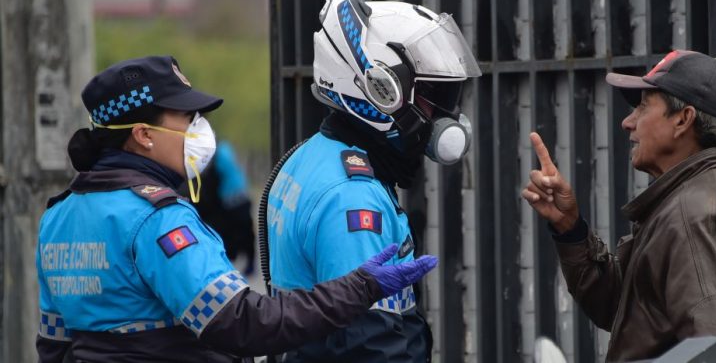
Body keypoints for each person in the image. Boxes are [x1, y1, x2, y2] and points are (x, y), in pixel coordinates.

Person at [35, 55, 438, 363]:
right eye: (187, 118)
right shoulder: (156, 220)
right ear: (143, 136)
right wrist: (360, 288)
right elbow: (241, 323)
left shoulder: (58, 216)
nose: (199, 130)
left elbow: (53, 344)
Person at [521, 50, 716, 362]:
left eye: (643, 106)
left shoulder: (694, 218)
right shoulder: (703, 196)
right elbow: (628, 309)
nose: (627, 122)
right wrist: (571, 229)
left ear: (683, 119)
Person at [266, 0, 481, 362]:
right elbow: (367, 344)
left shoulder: (312, 156)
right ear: (382, 90)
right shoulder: (352, 197)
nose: (447, 114)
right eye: (435, 98)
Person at [181, 139, 257, 276]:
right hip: (238, 197)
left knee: (234, 233)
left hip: (230, 199)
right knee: (245, 233)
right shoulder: (222, 149)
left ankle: (241, 264)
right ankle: (249, 264)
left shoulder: (216, 153)